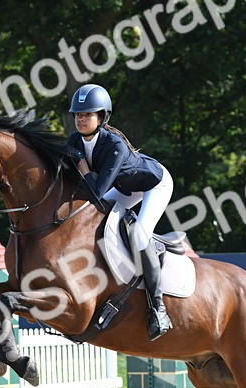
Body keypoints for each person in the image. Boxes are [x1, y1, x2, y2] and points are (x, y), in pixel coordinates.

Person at [66, 83, 174, 340]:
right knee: (89, 218)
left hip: (153, 184)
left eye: (88, 114)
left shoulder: (115, 145)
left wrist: (81, 165)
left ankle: (158, 308)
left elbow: (97, 191)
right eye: (78, 115)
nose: (81, 119)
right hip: (126, 187)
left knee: (139, 236)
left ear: (101, 117)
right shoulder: (73, 140)